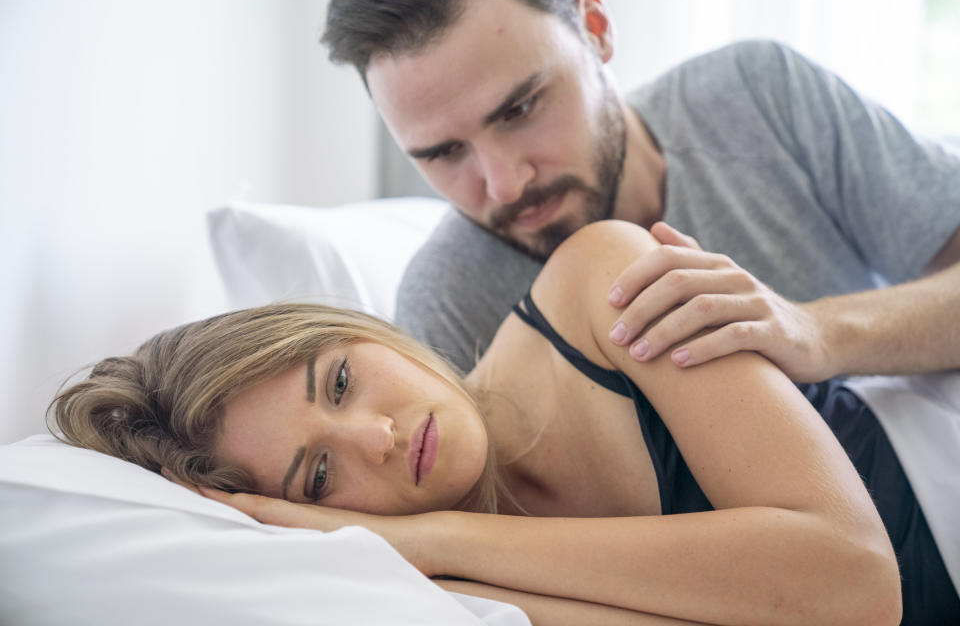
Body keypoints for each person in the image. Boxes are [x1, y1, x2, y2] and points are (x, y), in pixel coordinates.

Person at [50, 221, 959, 624]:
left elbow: (852, 588)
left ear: (361, 332)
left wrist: (446, 536)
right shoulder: (422, 594)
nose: (376, 435)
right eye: (319, 477)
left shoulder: (596, 283)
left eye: (338, 380)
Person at [322, 0, 960, 378]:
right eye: (443, 153)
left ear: (594, 27)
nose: (505, 184)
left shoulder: (761, 93)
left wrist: (818, 332)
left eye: (519, 110)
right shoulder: (450, 305)